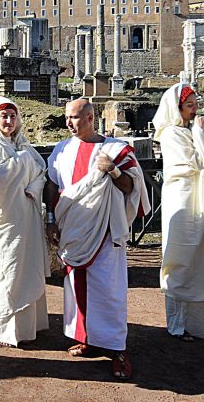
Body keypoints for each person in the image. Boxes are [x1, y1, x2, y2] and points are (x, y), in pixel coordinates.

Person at [45, 98, 150, 381]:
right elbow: (53, 185)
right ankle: (88, 337)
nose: (69, 123)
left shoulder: (115, 150)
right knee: (76, 287)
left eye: (75, 118)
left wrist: (113, 170)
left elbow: (132, 188)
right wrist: (51, 219)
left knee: (108, 290)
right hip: (73, 229)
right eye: (67, 117)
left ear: (91, 118)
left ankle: (117, 349)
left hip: (104, 229)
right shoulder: (62, 149)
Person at [0, 96, 50, 346]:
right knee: (7, 271)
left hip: (26, 216)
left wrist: (33, 187)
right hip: (2, 221)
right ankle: (5, 327)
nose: (9, 121)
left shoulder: (22, 143)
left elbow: (42, 172)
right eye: (4, 116)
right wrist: (23, 162)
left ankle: (30, 326)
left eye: (13, 116)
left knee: (27, 267)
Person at [153, 83, 204, 341]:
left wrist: (200, 135)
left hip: (199, 196)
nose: (195, 110)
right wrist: (201, 136)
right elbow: (195, 163)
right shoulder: (171, 133)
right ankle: (180, 324)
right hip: (182, 198)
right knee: (181, 256)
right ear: (177, 108)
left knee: (203, 255)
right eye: (189, 106)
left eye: (196, 105)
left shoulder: (192, 130)